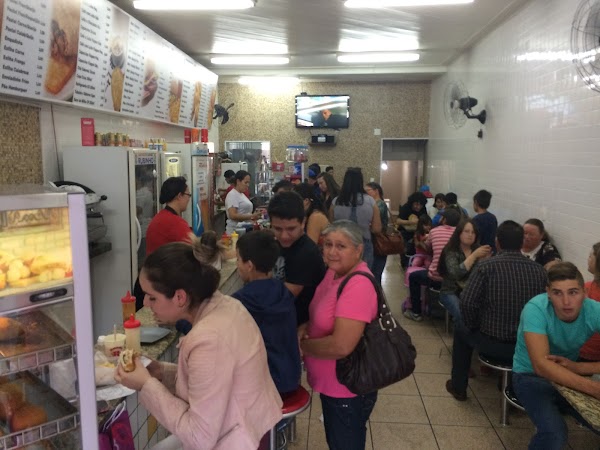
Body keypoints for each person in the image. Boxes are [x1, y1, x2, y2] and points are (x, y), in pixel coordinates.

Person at [115, 238, 282, 450]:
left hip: (241, 439)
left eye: (152, 297)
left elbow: (199, 437)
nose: (145, 304)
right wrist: (161, 372)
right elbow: (212, 382)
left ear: (180, 297)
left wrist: (145, 385)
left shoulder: (208, 339)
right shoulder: (227, 305)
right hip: (247, 425)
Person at [446, 220, 547, 401]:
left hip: (490, 343)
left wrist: (473, 325)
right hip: (526, 346)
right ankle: (512, 388)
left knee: (461, 328)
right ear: (521, 243)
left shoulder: (486, 267)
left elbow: (467, 303)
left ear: (497, 242)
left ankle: (458, 387)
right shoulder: (539, 271)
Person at [299, 220, 378, 450]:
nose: (332, 252)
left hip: (346, 389)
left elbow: (341, 346)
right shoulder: (334, 273)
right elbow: (323, 313)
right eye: (328, 244)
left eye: (341, 246)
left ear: (358, 250)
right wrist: (305, 327)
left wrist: (304, 346)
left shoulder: (358, 284)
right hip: (332, 383)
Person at [512, 262, 600, 449]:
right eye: (558, 293)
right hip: (529, 375)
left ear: (584, 293)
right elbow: (541, 366)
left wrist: (579, 367)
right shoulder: (536, 308)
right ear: (548, 293)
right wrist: (593, 388)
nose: (566, 302)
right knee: (554, 433)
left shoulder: (594, 310)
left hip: (569, 374)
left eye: (573, 292)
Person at [232, 230, 302, 395]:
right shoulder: (283, 292)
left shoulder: (242, 301)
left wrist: (182, 320)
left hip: (265, 384)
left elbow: (210, 326)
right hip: (291, 376)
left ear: (249, 265)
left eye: (238, 259)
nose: (237, 264)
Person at [268, 191, 327, 325]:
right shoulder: (278, 243)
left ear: (303, 222)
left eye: (291, 229)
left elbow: (283, 298)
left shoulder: (306, 253)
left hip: (297, 324)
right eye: (277, 229)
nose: (284, 236)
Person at [137, 176, 193, 310]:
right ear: (179, 196)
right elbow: (195, 252)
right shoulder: (175, 222)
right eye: (188, 195)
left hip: (150, 280)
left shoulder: (160, 217)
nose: (189, 199)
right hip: (160, 286)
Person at [404, 208, 461, 322]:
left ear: (444, 220)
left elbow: (428, 249)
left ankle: (416, 312)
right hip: (455, 280)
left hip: (435, 277)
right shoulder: (460, 234)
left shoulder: (434, 231)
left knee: (413, 277)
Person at [437, 219, 491, 330]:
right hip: (450, 292)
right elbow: (455, 273)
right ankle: (463, 340)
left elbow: (480, 277)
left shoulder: (478, 250)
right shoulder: (451, 251)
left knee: (487, 312)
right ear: (459, 233)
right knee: (463, 315)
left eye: (473, 232)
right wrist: (473, 256)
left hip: (471, 293)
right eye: (466, 231)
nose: (470, 235)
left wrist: (484, 262)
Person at [331, 168, 382, 270]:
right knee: (362, 274)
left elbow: (331, 225)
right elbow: (377, 229)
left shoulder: (336, 202)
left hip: (340, 243)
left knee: (341, 274)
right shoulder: (370, 202)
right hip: (363, 244)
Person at [578, 242, 600, 361]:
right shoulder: (587, 287)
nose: (588, 259)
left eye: (591, 256)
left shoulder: (586, 289)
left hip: (586, 351)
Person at [365, 182, 389, 284]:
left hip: (379, 241)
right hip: (374, 241)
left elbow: (372, 221)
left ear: (376, 191)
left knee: (376, 272)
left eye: (367, 191)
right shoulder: (373, 204)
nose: (365, 193)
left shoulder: (380, 205)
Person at [396, 191, 428, 267]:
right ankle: (405, 264)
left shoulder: (423, 209)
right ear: (412, 202)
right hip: (405, 232)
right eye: (416, 204)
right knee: (405, 248)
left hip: (417, 232)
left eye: (420, 205)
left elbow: (425, 219)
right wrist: (410, 222)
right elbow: (398, 221)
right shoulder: (406, 207)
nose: (418, 207)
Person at [293, 182, 330, 248]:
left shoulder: (315, 217)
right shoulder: (309, 215)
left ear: (306, 201)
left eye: (295, 201)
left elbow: (310, 247)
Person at [225, 170, 260, 234]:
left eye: (248, 183)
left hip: (244, 229)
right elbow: (233, 215)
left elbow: (244, 212)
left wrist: (253, 216)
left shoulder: (241, 194)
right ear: (238, 181)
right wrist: (251, 216)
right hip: (235, 231)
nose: (248, 185)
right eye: (246, 182)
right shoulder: (232, 195)